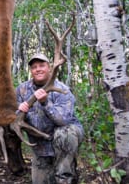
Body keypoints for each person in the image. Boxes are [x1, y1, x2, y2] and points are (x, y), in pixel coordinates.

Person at [16, 53, 84, 184]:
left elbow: (62, 121)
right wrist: (20, 111)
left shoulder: (62, 89)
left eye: (42, 65)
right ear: (31, 71)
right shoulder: (22, 90)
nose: (38, 69)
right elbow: (13, 116)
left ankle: (65, 175)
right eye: (34, 67)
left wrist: (45, 103)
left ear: (49, 68)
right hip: (41, 146)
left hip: (62, 141)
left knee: (65, 133)